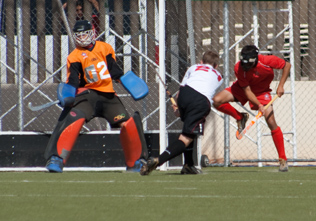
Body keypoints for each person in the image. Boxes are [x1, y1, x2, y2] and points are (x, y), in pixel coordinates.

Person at [44, 19, 148, 173]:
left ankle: (136, 162)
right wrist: (67, 95)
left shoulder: (104, 48)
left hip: (108, 96)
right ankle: (57, 158)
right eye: (78, 35)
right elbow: (73, 81)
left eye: (85, 33)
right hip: (87, 96)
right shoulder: (74, 56)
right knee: (74, 118)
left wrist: (127, 81)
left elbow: (114, 70)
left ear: (92, 32)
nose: (82, 37)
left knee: (128, 124)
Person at [140, 50, 223, 176]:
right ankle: (158, 160)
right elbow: (213, 95)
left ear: (201, 62)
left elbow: (181, 89)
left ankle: (188, 165)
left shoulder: (193, 68)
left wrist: (179, 108)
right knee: (186, 138)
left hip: (185, 94)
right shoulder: (218, 76)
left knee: (190, 130)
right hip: (201, 99)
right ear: (216, 66)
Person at [212, 45, 291, 172]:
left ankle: (282, 159)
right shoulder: (239, 67)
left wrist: (281, 85)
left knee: (271, 122)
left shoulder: (266, 61)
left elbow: (287, 65)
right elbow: (247, 91)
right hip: (243, 89)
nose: (246, 67)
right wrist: (259, 106)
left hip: (261, 92)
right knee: (216, 101)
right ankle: (240, 117)